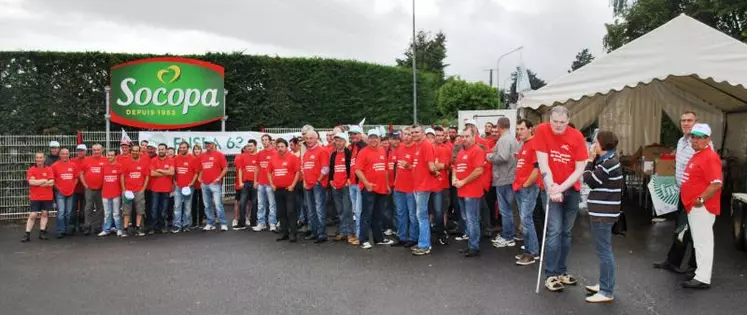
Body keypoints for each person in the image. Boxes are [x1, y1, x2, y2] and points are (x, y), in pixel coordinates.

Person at [535, 106, 588, 292]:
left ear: (568, 120)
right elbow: (543, 162)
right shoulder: (542, 130)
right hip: (550, 189)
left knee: (566, 232)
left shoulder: (577, 137)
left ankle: (561, 271)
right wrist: (551, 187)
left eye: (562, 122)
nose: (558, 126)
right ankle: (550, 275)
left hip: (571, 189)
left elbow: (579, 168)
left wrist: (562, 187)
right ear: (550, 120)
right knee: (555, 231)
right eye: (555, 122)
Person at [653, 111, 704, 273]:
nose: (686, 123)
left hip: (696, 194)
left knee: (694, 230)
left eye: (689, 120)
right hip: (684, 191)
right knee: (681, 228)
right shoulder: (682, 141)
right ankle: (674, 261)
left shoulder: (700, 142)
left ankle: (695, 266)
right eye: (683, 120)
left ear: (696, 122)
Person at [582, 131, 623, 303]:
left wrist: (590, 160)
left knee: (604, 252)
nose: (593, 145)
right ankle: (605, 284)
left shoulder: (608, 163)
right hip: (604, 212)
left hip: (603, 214)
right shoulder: (609, 161)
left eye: (596, 143)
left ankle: (607, 291)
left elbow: (589, 179)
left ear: (603, 145)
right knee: (603, 251)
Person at [680, 123, 722, 290]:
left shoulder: (709, 157)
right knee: (699, 242)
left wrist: (701, 200)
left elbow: (716, 183)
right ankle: (700, 273)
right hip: (694, 207)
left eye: (699, 137)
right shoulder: (699, 154)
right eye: (693, 136)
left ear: (708, 139)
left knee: (703, 242)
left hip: (702, 208)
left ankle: (703, 277)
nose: (695, 140)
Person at [355, 129, 395, 249]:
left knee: (378, 215)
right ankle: (363, 240)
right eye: (371, 137)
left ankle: (379, 239)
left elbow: (385, 169)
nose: (373, 140)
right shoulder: (363, 152)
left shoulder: (382, 150)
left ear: (379, 139)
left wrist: (387, 185)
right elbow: (357, 170)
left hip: (381, 189)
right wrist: (366, 183)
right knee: (366, 215)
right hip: (369, 189)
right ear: (368, 139)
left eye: (375, 137)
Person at [488, 117, 520, 248]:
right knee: (509, 209)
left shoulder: (504, 139)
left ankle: (508, 236)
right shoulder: (511, 139)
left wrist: (489, 156)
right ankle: (509, 234)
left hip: (504, 178)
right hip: (509, 177)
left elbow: (502, 157)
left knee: (505, 209)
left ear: (499, 126)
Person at [513, 119, 541, 266]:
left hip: (527, 187)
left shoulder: (534, 143)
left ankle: (531, 253)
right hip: (520, 187)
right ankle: (531, 250)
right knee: (526, 220)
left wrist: (526, 184)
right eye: (518, 129)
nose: (519, 132)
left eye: (522, 129)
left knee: (526, 220)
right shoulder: (524, 144)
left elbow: (538, 168)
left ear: (530, 129)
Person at [454, 129, 485, 257]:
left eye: (467, 136)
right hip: (461, 190)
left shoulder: (477, 150)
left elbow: (479, 171)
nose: (464, 138)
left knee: (472, 219)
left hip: (471, 191)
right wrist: (454, 179)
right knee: (467, 218)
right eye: (463, 136)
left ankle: (474, 247)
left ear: (474, 137)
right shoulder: (461, 151)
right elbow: (455, 167)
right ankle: (471, 244)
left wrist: (463, 182)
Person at [411, 124, 438, 256]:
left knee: (421, 216)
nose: (414, 134)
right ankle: (423, 242)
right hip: (418, 185)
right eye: (412, 133)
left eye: (417, 132)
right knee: (420, 215)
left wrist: (435, 172)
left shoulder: (426, 145)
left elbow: (431, 166)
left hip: (423, 186)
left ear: (422, 133)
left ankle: (425, 245)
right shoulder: (418, 146)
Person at [268, 138, 301, 243]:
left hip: (289, 189)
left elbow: (298, 172)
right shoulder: (273, 158)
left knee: (291, 211)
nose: (280, 149)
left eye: (282, 146)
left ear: (286, 147)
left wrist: (293, 185)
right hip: (278, 189)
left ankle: (293, 233)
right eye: (278, 147)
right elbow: (268, 172)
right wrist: (272, 184)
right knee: (281, 212)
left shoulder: (292, 157)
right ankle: (285, 233)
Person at [302, 131, 330, 243]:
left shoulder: (322, 151)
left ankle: (322, 233)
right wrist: (305, 181)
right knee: (311, 210)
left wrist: (318, 180)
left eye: (311, 138)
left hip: (318, 184)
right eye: (307, 138)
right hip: (308, 184)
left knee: (319, 209)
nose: (308, 140)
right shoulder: (307, 152)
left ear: (316, 138)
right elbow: (304, 168)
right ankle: (314, 232)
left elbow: (325, 169)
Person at [392, 127, 417, 248]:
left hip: (412, 187)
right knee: (400, 213)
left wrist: (409, 166)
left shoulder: (417, 148)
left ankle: (413, 237)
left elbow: (420, 168)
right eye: (404, 134)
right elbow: (397, 166)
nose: (406, 136)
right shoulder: (400, 147)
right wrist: (395, 181)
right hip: (399, 186)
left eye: (409, 134)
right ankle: (402, 237)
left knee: (412, 214)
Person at [329, 132, 356, 243]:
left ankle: (350, 233)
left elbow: (352, 168)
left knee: (347, 210)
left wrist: (348, 179)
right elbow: (332, 168)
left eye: (340, 140)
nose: (338, 142)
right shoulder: (333, 154)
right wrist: (330, 180)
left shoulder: (348, 153)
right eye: (336, 140)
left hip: (345, 186)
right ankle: (343, 232)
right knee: (339, 210)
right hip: (335, 186)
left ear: (345, 142)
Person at [22, 152, 54, 242]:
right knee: (33, 215)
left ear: (44, 159)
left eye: (41, 157)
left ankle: (42, 233)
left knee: (44, 214)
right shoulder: (31, 169)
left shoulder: (49, 169)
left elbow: (51, 182)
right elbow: (31, 182)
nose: (39, 159)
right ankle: (27, 234)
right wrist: (44, 180)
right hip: (35, 196)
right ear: (35, 159)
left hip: (47, 196)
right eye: (37, 157)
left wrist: (37, 182)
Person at [199, 139, 229, 231]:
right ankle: (210, 223)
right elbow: (201, 168)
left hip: (215, 184)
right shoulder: (202, 155)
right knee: (207, 205)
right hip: (205, 183)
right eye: (206, 143)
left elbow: (225, 168)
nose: (207, 145)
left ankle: (223, 223)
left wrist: (219, 178)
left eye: (209, 143)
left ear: (213, 144)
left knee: (218, 204)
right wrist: (200, 178)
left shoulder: (219, 155)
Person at [122, 145, 149, 237]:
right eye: (133, 150)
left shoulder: (143, 163)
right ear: (131, 151)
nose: (135, 152)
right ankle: (125, 229)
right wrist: (124, 189)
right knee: (126, 211)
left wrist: (143, 189)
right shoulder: (126, 162)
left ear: (139, 152)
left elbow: (147, 177)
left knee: (140, 211)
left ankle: (138, 228)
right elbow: (122, 176)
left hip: (139, 191)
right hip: (128, 191)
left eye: (136, 151)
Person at [51, 148, 78, 239]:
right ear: (60, 155)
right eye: (63, 154)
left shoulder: (73, 165)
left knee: (69, 212)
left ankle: (66, 229)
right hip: (60, 193)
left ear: (69, 154)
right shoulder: (55, 166)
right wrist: (57, 188)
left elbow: (76, 178)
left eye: (66, 154)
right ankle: (60, 230)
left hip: (71, 192)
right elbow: (52, 179)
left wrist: (73, 186)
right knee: (61, 212)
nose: (65, 155)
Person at [80, 144, 106, 235]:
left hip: (101, 188)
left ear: (102, 150)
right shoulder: (87, 160)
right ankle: (87, 226)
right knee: (88, 208)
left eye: (98, 150)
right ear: (92, 150)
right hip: (89, 188)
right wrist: (84, 184)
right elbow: (81, 173)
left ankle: (98, 227)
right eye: (94, 150)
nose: (96, 151)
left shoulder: (106, 160)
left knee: (100, 208)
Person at [253, 134, 278, 232]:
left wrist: (274, 182)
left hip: (270, 183)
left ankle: (272, 223)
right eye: (262, 140)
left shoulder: (275, 153)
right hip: (261, 183)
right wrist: (255, 181)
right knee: (261, 204)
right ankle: (261, 223)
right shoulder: (260, 153)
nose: (264, 142)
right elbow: (257, 168)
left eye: (266, 140)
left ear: (270, 141)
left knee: (272, 204)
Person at [149, 144, 175, 234]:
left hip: (166, 189)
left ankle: (163, 226)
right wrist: (166, 173)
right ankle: (153, 227)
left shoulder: (171, 160)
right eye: (159, 149)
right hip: (155, 189)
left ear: (166, 150)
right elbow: (152, 173)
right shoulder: (153, 160)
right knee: (154, 209)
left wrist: (160, 170)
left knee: (164, 210)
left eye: (162, 149)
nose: (161, 151)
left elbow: (172, 172)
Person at [173, 141, 198, 233]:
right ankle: (177, 225)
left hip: (188, 187)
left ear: (187, 148)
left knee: (187, 207)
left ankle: (186, 224)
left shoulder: (192, 158)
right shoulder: (176, 158)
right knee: (177, 206)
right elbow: (174, 172)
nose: (182, 149)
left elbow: (196, 173)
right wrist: (174, 181)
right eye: (181, 147)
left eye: (184, 147)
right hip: (178, 187)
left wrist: (192, 183)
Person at [433, 126, 452, 245]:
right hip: (430, 184)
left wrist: (442, 166)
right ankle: (435, 231)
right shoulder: (430, 147)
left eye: (441, 135)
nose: (439, 138)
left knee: (442, 210)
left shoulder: (447, 149)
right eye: (437, 135)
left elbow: (448, 165)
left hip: (443, 184)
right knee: (431, 211)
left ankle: (442, 232)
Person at [348, 126, 367, 239]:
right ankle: (357, 233)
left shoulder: (364, 147)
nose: (353, 136)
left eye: (355, 134)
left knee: (359, 211)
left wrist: (363, 181)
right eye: (351, 134)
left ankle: (360, 235)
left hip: (360, 183)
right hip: (352, 183)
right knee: (355, 211)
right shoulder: (352, 147)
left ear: (360, 134)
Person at [99, 150, 124, 237]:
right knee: (107, 213)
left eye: (112, 155)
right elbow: (101, 180)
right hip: (105, 194)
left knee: (116, 213)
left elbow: (121, 179)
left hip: (116, 193)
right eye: (108, 155)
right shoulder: (104, 167)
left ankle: (118, 229)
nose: (110, 157)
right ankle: (106, 229)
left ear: (115, 156)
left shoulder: (119, 166)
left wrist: (123, 190)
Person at [236, 141, 259, 230]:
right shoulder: (243, 156)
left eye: (251, 146)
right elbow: (240, 170)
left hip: (255, 183)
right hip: (245, 183)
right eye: (248, 146)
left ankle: (253, 222)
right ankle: (241, 223)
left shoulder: (258, 156)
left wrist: (257, 182)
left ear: (255, 146)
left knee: (254, 203)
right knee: (242, 203)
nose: (249, 147)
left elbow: (260, 169)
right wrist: (241, 182)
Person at [70, 144, 87, 234]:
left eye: (82, 150)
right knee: (73, 208)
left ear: (86, 151)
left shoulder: (89, 160)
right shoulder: (72, 161)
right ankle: (72, 226)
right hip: (74, 189)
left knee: (84, 209)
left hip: (85, 189)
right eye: (79, 150)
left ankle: (82, 225)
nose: (80, 152)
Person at [191, 144, 206, 228]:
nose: (196, 151)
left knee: (201, 203)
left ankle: (200, 221)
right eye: (195, 149)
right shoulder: (191, 159)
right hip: (193, 184)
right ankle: (193, 222)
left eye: (198, 149)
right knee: (193, 203)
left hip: (202, 184)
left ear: (200, 150)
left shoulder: (203, 158)